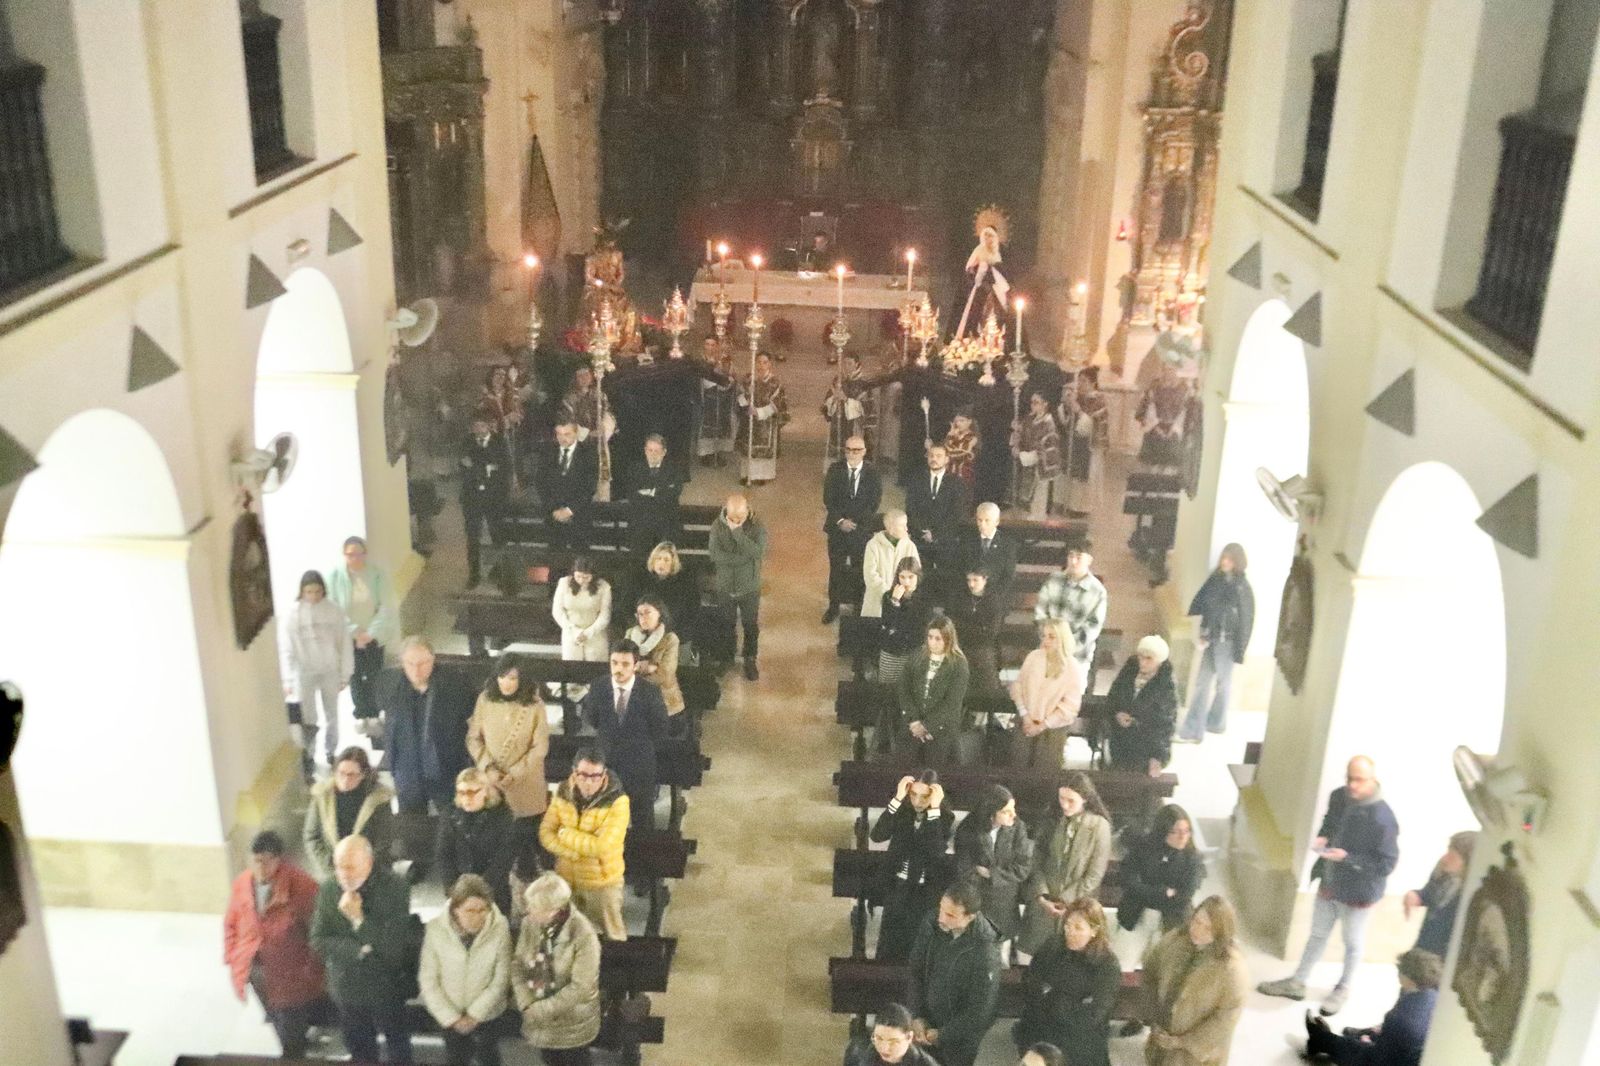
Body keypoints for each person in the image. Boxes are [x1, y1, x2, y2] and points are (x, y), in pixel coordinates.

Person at [1259, 756, 1401, 1016]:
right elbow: (1330, 820)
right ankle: (1298, 981)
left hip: (1358, 893)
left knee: (1353, 941)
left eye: (1359, 780)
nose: (1352, 785)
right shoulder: (1339, 796)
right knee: (1317, 934)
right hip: (1330, 881)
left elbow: (1386, 864)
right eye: (1349, 778)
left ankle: (1343, 987)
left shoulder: (1383, 819)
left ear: (1372, 780)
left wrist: (1348, 858)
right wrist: (1323, 837)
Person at [310, 835, 415, 1066]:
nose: (343, 874)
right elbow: (318, 939)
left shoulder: (395, 888)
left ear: (368, 863)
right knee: (360, 1051)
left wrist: (359, 920)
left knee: (398, 1047)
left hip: (385, 985)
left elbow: (393, 946)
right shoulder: (329, 889)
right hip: (347, 988)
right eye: (338, 867)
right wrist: (358, 949)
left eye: (350, 867)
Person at [223, 830, 325, 1059]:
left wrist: (311, 971)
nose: (261, 867)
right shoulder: (242, 884)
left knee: (291, 1039)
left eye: (267, 861)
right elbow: (231, 922)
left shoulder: (302, 887)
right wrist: (232, 956)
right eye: (256, 860)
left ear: (279, 860)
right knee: (276, 1021)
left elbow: (319, 932)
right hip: (257, 971)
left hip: (292, 977)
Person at [1142, 895, 1249, 1066]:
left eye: (1209, 929)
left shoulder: (1231, 968)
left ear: (1221, 931)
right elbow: (1150, 973)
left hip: (1197, 1056)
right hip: (1160, 1040)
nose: (1198, 931)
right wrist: (1153, 1015)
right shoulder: (1175, 940)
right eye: (1197, 922)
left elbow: (1226, 1017)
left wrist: (1184, 1042)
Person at [419, 874, 513, 1066]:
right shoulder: (436, 929)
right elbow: (428, 979)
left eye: (482, 910)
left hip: (487, 1014)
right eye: (470, 910)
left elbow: (501, 977)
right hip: (450, 1014)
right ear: (455, 910)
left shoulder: (500, 926)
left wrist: (475, 1015)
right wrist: (451, 1018)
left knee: (489, 1058)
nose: (477, 917)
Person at [1014, 898, 1121, 1066]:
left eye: (1078, 928)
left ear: (1094, 930)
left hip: (1078, 1043)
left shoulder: (1107, 964)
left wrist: (1054, 1000)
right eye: (1067, 925)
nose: (1070, 932)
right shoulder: (1053, 946)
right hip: (1041, 1030)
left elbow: (1096, 1012)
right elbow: (1030, 979)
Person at [1289, 949, 1442, 1066]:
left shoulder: (1400, 1020)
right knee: (1361, 1039)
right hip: (1410, 1053)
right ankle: (1339, 1037)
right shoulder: (1432, 996)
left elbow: (1377, 1058)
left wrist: (1362, 1043)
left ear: (1409, 978)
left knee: (1354, 1050)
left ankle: (1321, 1038)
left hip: (1393, 1060)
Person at [908, 879, 1003, 1066]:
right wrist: (917, 1015)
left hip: (959, 1039)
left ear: (970, 917)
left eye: (950, 915)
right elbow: (916, 971)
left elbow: (981, 1009)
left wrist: (943, 1034)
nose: (941, 918)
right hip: (926, 1024)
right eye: (941, 909)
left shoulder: (985, 950)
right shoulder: (932, 923)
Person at [1017, 773, 1112, 959]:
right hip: (1044, 904)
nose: (1065, 805)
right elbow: (1037, 861)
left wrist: (1066, 899)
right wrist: (1043, 895)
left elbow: (1095, 874)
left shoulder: (1099, 827)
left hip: (1078, 906)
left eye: (1071, 800)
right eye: (1062, 798)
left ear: (1085, 799)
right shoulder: (1051, 820)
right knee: (1037, 959)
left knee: (1070, 958)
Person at [381, 636, 475, 822]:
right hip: (408, 772)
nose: (416, 669)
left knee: (452, 822)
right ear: (402, 663)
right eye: (410, 663)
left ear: (432, 660)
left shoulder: (455, 686)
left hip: (446, 770)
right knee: (411, 825)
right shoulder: (391, 687)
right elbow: (392, 730)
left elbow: (468, 719)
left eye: (423, 663)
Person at [539, 749, 630, 941]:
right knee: (566, 937)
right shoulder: (562, 792)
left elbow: (601, 846)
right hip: (567, 878)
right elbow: (546, 834)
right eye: (583, 775)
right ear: (574, 772)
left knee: (614, 936)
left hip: (602, 883)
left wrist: (564, 833)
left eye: (596, 776)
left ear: (604, 774)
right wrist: (571, 854)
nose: (589, 782)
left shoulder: (617, 802)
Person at [513, 872, 602, 1064]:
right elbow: (518, 965)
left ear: (554, 909)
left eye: (534, 907)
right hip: (540, 1022)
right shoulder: (530, 923)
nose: (528, 911)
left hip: (573, 1024)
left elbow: (581, 987)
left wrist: (539, 1010)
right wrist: (525, 1002)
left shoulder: (583, 934)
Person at [579, 644, 667, 832]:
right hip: (607, 761)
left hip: (639, 764)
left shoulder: (649, 692)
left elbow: (659, 728)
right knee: (603, 817)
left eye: (625, 664)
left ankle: (642, 858)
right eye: (615, 663)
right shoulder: (599, 687)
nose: (619, 669)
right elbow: (591, 718)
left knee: (641, 816)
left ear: (636, 665)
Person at [466, 652, 551, 846]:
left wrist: (514, 773)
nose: (506, 683)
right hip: (492, 780)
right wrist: (488, 768)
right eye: (502, 677)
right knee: (494, 835)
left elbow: (540, 747)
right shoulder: (485, 700)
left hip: (525, 780)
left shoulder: (535, 705)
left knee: (525, 836)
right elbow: (473, 738)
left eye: (512, 678)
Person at [1113, 804, 1204, 981]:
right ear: (1162, 831)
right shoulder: (1143, 847)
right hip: (1135, 915)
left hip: (1170, 922)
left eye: (1186, 831)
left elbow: (1184, 896)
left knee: (1160, 974)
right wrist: (1163, 893)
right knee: (1121, 965)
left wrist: (1146, 891)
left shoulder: (1192, 858)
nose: (1182, 837)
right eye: (1175, 832)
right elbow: (1127, 880)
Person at [871, 771, 953, 963]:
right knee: (890, 939)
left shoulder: (943, 816)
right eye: (913, 794)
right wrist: (898, 797)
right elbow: (877, 835)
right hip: (898, 883)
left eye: (924, 796)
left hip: (925, 889)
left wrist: (933, 811)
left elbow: (936, 851)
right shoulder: (902, 809)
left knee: (916, 941)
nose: (917, 801)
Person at [1178, 544, 1255, 742]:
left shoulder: (1241, 587)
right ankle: (1195, 727)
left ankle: (1215, 722)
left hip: (1227, 643)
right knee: (1203, 683)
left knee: (1223, 684)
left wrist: (1240, 648)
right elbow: (1206, 607)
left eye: (1229, 559)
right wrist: (1204, 632)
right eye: (1224, 558)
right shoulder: (1215, 580)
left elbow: (1246, 619)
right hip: (1212, 639)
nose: (1224, 562)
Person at [280, 569, 353, 769]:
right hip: (304, 673)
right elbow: (287, 650)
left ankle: (331, 750)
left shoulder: (334, 612)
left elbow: (344, 643)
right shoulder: (292, 615)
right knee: (308, 717)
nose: (313, 596)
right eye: (309, 592)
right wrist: (288, 680)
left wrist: (345, 672)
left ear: (323, 591)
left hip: (329, 670)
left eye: (317, 591)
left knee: (332, 714)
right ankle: (309, 753)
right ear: (302, 592)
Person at [326, 535, 398, 724]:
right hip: (349, 636)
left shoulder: (377, 575)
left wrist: (370, 633)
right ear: (344, 555)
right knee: (355, 674)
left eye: (359, 554)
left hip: (374, 634)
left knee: (374, 672)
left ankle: (375, 711)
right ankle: (361, 711)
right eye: (350, 555)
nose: (355, 558)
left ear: (365, 554)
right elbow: (333, 608)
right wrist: (354, 632)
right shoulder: (334, 577)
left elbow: (386, 605)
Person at [952, 785, 1033, 952]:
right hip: (976, 901)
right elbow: (964, 869)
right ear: (991, 813)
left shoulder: (1018, 828)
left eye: (1013, 809)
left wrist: (991, 874)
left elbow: (1023, 867)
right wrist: (978, 879)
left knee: (1000, 956)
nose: (1013, 815)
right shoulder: (968, 829)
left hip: (1004, 902)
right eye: (1006, 811)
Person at [303, 746, 397, 880]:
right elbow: (312, 836)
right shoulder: (323, 796)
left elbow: (384, 841)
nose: (345, 780)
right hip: (333, 873)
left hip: (371, 874)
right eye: (341, 773)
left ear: (363, 774)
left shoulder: (378, 799)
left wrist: (362, 870)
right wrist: (333, 868)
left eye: (352, 775)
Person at [434, 769, 517, 916]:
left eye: (472, 792)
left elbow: (504, 857)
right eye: (461, 792)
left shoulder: (502, 815)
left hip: (493, 890)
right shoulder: (449, 814)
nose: (466, 798)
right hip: (458, 890)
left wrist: (481, 892)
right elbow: (443, 855)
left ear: (485, 791)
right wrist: (455, 890)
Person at [1007, 619, 1087, 771]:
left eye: (1051, 636)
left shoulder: (1072, 667)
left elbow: (1070, 707)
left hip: (1052, 732)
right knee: (1017, 774)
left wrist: (1043, 725)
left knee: (1044, 779)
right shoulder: (1033, 657)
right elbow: (1018, 687)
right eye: (1043, 636)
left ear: (1062, 638)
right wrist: (1025, 716)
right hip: (1025, 724)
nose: (1046, 640)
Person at [893, 615, 972, 766]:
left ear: (948, 640)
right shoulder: (918, 656)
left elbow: (952, 702)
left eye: (938, 639)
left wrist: (927, 726)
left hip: (941, 732)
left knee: (936, 777)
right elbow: (904, 688)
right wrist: (914, 721)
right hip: (912, 727)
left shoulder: (959, 664)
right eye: (930, 637)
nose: (932, 643)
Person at [823, 435, 883, 624]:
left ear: (864, 451)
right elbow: (828, 498)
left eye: (856, 450)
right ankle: (833, 607)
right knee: (836, 569)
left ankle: (859, 606)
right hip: (837, 529)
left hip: (861, 529)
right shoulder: (835, 470)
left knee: (860, 570)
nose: (852, 453)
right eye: (848, 449)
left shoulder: (873, 473)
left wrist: (855, 522)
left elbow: (874, 502)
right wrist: (840, 521)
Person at [708, 493, 767, 680]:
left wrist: (737, 534)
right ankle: (727, 657)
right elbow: (715, 555)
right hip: (725, 586)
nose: (735, 522)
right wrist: (742, 559)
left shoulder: (757, 526)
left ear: (747, 511)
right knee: (726, 624)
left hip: (749, 587)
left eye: (739, 519)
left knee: (750, 625)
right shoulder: (717, 526)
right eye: (731, 519)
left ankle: (750, 658)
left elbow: (759, 552)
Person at [1105, 636, 1179, 777]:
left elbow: (1166, 725)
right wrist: (1117, 714)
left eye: (1149, 659)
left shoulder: (1166, 685)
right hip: (1120, 741)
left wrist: (1157, 757)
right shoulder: (1129, 671)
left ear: (1159, 661)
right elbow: (1112, 698)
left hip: (1145, 747)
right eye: (1140, 657)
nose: (1142, 662)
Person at [904, 443, 971, 592]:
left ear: (947, 459)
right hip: (920, 539)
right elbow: (910, 509)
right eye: (931, 455)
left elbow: (957, 514)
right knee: (919, 579)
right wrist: (922, 531)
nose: (934, 459)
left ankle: (946, 610)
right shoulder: (916, 480)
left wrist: (936, 534)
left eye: (939, 456)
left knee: (946, 579)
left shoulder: (956, 483)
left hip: (945, 540)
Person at [1034, 539, 1107, 674]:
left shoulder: (1098, 592)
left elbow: (1092, 628)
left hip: (1077, 658)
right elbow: (1040, 613)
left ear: (1089, 560)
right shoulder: (1053, 580)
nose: (1073, 561)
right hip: (1047, 650)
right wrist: (1049, 640)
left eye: (1078, 558)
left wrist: (1066, 647)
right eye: (1070, 556)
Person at [461, 410, 512, 588]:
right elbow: (462, 468)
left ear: (489, 425)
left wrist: (477, 467)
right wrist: (487, 468)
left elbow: (505, 469)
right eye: (475, 426)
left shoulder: (499, 442)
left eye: (482, 425)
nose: (478, 429)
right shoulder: (466, 442)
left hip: (494, 497)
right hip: (472, 498)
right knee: (472, 537)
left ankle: (499, 570)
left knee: (497, 535)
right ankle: (474, 573)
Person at [1405, 831, 1477, 957]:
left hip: (1445, 956)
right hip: (1424, 945)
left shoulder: (1473, 893)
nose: (1445, 859)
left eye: (1453, 856)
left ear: (1468, 862)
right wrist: (1417, 896)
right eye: (1448, 851)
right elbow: (1429, 894)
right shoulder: (1442, 871)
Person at [537, 421, 598, 551]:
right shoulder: (548, 451)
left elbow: (590, 487)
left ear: (576, 433)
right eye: (558, 434)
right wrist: (554, 509)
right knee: (556, 560)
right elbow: (541, 483)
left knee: (580, 560)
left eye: (567, 434)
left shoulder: (588, 453)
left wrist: (569, 510)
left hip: (579, 516)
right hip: (554, 517)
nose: (562, 438)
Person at [627, 542, 699, 651]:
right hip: (644, 635)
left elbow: (692, 613)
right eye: (658, 559)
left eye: (666, 560)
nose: (661, 563)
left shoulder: (685, 585)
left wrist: (676, 636)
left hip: (674, 636)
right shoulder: (640, 581)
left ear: (673, 563)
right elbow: (627, 608)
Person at [875, 561, 935, 692]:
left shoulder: (926, 600)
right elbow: (888, 623)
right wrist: (895, 602)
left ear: (918, 577)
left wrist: (898, 625)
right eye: (902, 577)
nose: (906, 582)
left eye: (910, 577)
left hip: (914, 651)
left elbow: (919, 628)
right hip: (892, 649)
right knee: (887, 691)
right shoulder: (888, 597)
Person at [1057, 368, 1109, 518]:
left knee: (1083, 475)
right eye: (1079, 380)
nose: (1080, 384)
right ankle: (1067, 503)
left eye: (1084, 381)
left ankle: (1082, 508)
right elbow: (1066, 421)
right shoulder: (1077, 397)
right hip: (1074, 443)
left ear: (1093, 383)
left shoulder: (1099, 400)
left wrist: (1078, 410)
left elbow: (1089, 425)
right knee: (1070, 472)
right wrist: (1066, 405)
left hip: (1090, 445)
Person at [944, 567, 1002, 699]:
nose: (971, 584)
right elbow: (952, 623)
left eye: (975, 580)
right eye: (969, 580)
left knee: (984, 664)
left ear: (985, 579)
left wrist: (965, 627)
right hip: (960, 644)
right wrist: (977, 628)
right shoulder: (960, 597)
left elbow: (991, 632)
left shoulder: (994, 601)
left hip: (983, 646)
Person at [735, 351, 789, 484]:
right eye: (758, 362)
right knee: (748, 448)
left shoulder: (775, 383)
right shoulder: (749, 379)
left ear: (770, 364)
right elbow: (740, 395)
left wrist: (758, 412)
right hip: (749, 420)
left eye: (765, 362)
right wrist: (746, 402)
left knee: (762, 450)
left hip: (766, 422)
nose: (761, 365)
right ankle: (747, 474)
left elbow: (778, 404)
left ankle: (760, 476)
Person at [625, 434, 683, 558]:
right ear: (645, 450)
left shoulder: (674, 470)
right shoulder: (635, 469)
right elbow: (632, 496)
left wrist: (650, 493)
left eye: (656, 451)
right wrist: (659, 492)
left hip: (666, 526)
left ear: (664, 452)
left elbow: (673, 494)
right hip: (641, 526)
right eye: (649, 450)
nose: (652, 454)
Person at [626, 595, 684, 718]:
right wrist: (649, 667)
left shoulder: (670, 639)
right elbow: (623, 666)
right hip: (633, 699)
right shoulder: (630, 634)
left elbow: (665, 673)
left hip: (664, 701)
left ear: (659, 614)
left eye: (648, 613)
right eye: (640, 614)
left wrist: (637, 670)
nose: (643, 618)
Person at [861, 509, 921, 623]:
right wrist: (890, 594)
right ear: (891, 528)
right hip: (876, 602)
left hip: (902, 603)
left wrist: (901, 594)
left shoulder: (910, 546)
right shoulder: (873, 545)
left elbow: (916, 574)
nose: (907, 529)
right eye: (902, 526)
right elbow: (870, 576)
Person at [953, 503, 1019, 604]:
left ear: (996, 521)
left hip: (996, 598)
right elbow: (960, 569)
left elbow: (1008, 576)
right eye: (979, 520)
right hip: (969, 596)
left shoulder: (1007, 544)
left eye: (987, 520)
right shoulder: (967, 540)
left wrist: (992, 597)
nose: (982, 524)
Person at [842, 1002, 941, 1066]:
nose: (884, 1048)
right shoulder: (857, 1053)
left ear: (909, 1037)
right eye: (878, 1038)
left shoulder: (925, 1064)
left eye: (893, 1041)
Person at [551, 559, 612, 664]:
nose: (581, 580)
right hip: (570, 631)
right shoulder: (564, 583)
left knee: (596, 667)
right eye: (578, 576)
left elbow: (605, 614)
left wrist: (588, 633)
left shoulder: (604, 587)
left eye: (586, 577)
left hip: (595, 633)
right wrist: (575, 631)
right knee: (572, 668)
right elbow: (557, 611)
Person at [1013, 391, 1062, 519]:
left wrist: (1022, 455)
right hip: (1028, 465)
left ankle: (1037, 521)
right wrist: (1016, 435)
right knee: (1025, 496)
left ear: (1045, 404)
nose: (1032, 406)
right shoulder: (1029, 419)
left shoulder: (1048, 424)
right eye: (1032, 402)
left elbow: (1045, 449)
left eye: (1036, 403)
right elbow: (1020, 434)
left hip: (1040, 467)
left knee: (1038, 498)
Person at [559, 366, 600, 441]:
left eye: (586, 375)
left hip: (600, 439)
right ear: (575, 379)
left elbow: (608, 413)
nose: (584, 378)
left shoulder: (599, 395)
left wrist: (605, 428)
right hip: (579, 440)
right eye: (580, 376)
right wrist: (588, 434)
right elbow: (566, 422)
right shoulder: (569, 399)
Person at [944, 409, 979, 487]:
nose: (958, 424)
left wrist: (951, 451)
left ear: (969, 422)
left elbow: (963, 453)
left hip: (964, 473)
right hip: (950, 472)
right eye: (957, 421)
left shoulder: (972, 438)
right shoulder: (953, 436)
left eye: (962, 421)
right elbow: (946, 449)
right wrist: (950, 434)